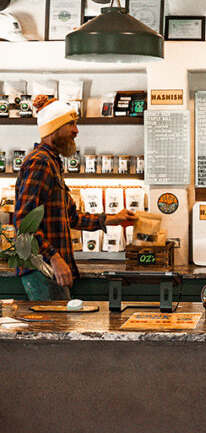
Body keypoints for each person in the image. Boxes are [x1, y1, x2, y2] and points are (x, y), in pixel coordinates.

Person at [14, 95, 137, 300]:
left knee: (59, 328)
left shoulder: (52, 162)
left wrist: (111, 219)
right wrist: (53, 257)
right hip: (42, 268)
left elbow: (71, 217)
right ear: (54, 128)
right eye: (70, 123)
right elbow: (24, 224)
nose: (76, 131)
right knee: (54, 330)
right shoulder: (41, 163)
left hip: (48, 267)